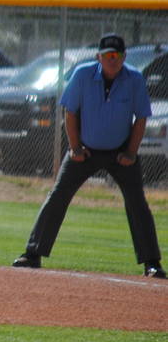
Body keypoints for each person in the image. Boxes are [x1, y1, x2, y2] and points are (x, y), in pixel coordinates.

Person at [12, 33, 165, 278]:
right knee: (58, 196)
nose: (112, 60)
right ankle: (33, 254)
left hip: (120, 150)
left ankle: (152, 263)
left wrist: (131, 153)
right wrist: (75, 148)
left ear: (124, 57)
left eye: (117, 56)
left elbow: (141, 118)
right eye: (108, 56)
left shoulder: (134, 78)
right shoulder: (83, 74)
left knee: (137, 204)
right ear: (99, 57)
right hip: (86, 148)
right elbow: (70, 112)